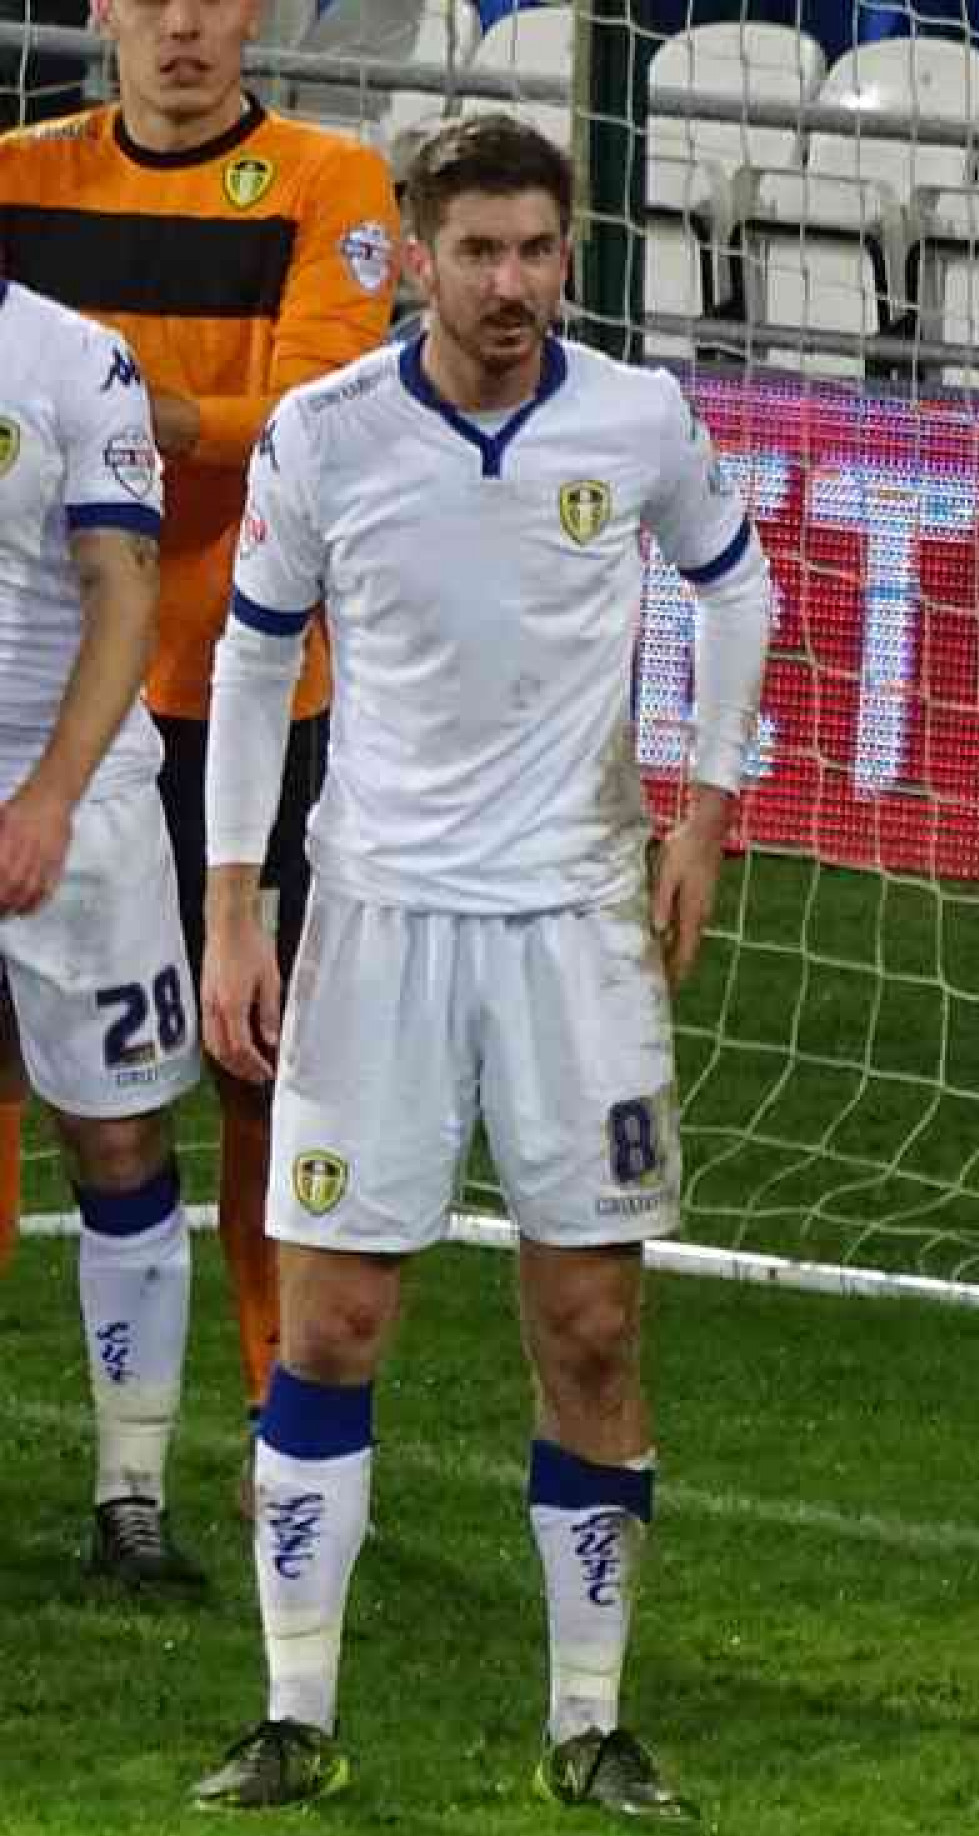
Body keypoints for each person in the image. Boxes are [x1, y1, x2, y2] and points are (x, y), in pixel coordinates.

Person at [192, 112, 771, 1815]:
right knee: (335, 1320)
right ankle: (294, 1717)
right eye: (479, 253)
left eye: (538, 250)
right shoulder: (330, 433)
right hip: (374, 926)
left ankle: (588, 1728)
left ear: (565, 250)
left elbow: (735, 591)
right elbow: (248, 667)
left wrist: (707, 811)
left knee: (590, 1326)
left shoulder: (637, 418)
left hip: (579, 929)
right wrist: (239, 903)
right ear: (419, 258)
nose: (512, 284)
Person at [0, 0, 400, 1480]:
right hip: (54, 715)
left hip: (243, 692)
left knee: (254, 1057)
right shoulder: (20, 176)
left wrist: (121, 408)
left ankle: (266, 1404)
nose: (181, 22)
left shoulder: (326, 180)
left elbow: (322, 415)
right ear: (99, 8)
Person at [0, 278, 203, 1586]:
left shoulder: (77, 358)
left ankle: (131, 1494)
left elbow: (125, 591)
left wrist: (50, 796)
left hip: (79, 803)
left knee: (120, 1135)